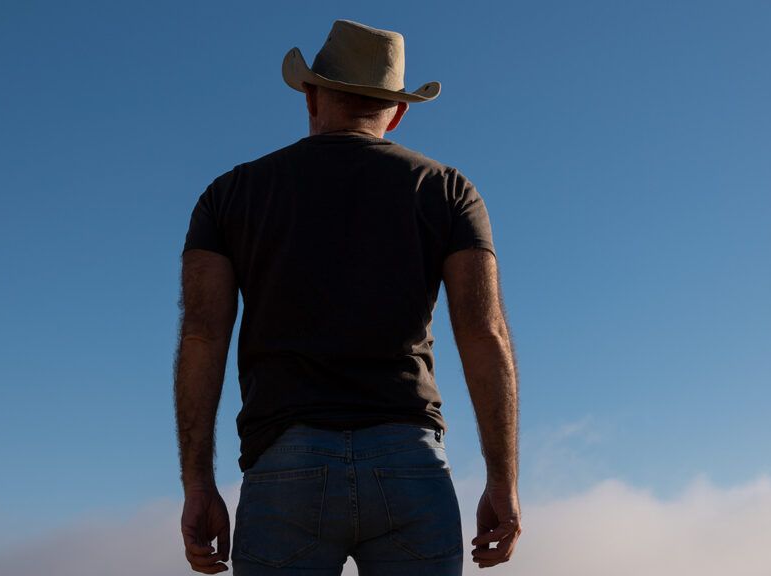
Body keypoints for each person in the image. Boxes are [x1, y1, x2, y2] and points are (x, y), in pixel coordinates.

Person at [174, 19, 520, 575]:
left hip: (283, 465)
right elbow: (484, 334)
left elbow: (202, 337)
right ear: (397, 110)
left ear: (311, 95)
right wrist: (502, 482)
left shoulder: (229, 195)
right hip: (410, 462)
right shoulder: (448, 190)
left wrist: (198, 484)